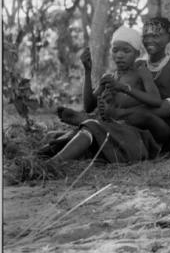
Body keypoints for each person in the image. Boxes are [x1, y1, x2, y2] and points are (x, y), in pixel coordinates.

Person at [40, 26, 163, 163]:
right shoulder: (109, 78)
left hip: (131, 135)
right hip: (108, 129)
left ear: (137, 54)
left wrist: (123, 88)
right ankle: (34, 160)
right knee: (53, 137)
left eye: (126, 51)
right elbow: (89, 106)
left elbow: (156, 101)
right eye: (115, 50)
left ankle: (51, 164)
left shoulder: (141, 73)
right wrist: (87, 71)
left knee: (90, 127)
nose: (119, 55)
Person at [106, 17, 170, 154]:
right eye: (146, 36)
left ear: (169, 38)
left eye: (156, 35)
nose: (150, 40)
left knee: (140, 114)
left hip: (168, 122)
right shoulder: (138, 65)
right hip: (142, 121)